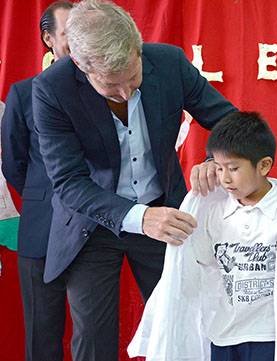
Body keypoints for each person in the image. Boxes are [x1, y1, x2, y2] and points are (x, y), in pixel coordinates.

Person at [31, 1, 237, 360]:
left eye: (133, 79)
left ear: (138, 49)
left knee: (183, 325)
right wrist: (140, 217)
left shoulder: (170, 63)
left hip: (166, 214)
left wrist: (213, 161)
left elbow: (228, 121)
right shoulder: (52, 89)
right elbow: (68, 181)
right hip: (90, 225)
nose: (126, 93)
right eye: (111, 87)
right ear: (81, 66)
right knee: (93, 339)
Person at [128, 111, 277, 361]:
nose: (225, 178)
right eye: (219, 168)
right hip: (223, 333)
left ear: (264, 165)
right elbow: (194, 265)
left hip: (270, 333)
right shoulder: (213, 211)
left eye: (234, 168)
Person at [1, 2, 73, 360]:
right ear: (49, 39)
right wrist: (40, 194)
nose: (78, 40)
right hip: (40, 228)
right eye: (68, 33)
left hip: (96, 234)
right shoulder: (24, 93)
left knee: (92, 334)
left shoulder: (106, 89)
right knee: (42, 336)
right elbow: (14, 162)